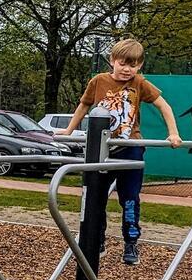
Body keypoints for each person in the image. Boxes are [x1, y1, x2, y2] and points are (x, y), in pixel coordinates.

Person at [59, 36, 181, 266]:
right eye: (123, 63)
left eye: (133, 65)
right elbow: (84, 105)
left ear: (140, 66)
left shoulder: (140, 83)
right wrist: (69, 129)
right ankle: (97, 240)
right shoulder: (98, 81)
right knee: (95, 195)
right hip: (101, 149)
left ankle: (131, 241)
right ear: (112, 60)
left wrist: (173, 133)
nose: (127, 69)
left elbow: (164, 106)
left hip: (129, 148)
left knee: (130, 198)